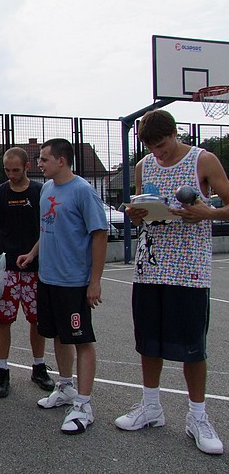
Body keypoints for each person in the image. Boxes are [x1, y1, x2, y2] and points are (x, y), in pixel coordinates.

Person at [114, 109, 229, 455]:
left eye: (162, 146)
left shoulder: (203, 160)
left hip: (188, 271)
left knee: (193, 347)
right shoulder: (143, 166)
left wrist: (209, 213)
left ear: (175, 134)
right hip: (149, 268)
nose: (158, 153)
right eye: (151, 148)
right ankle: (151, 407)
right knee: (149, 342)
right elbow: (142, 210)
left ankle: (198, 417)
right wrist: (135, 214)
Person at [18, 138, 108, 435]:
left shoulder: (83, 191)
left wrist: (95, 280)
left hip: (74, 282)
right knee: (58, 334)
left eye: (44, 159)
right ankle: (66, 387)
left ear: (61, 160)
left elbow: (99, 235)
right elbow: (48, 228)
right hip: (48, 278)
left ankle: (83, 405)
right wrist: (33, 253)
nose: (39, 164)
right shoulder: (47, 189)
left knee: (82, 340)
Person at [0, 147, 54, 398]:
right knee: (3, 321)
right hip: (7, 268)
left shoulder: (42, 191)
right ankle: (2, 370)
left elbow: (47, 228)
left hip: (36, 268)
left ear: (27, 167)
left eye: (16, 170)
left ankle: (39, 366)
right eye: (7, 170)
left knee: (37, 320)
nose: (11, 175)